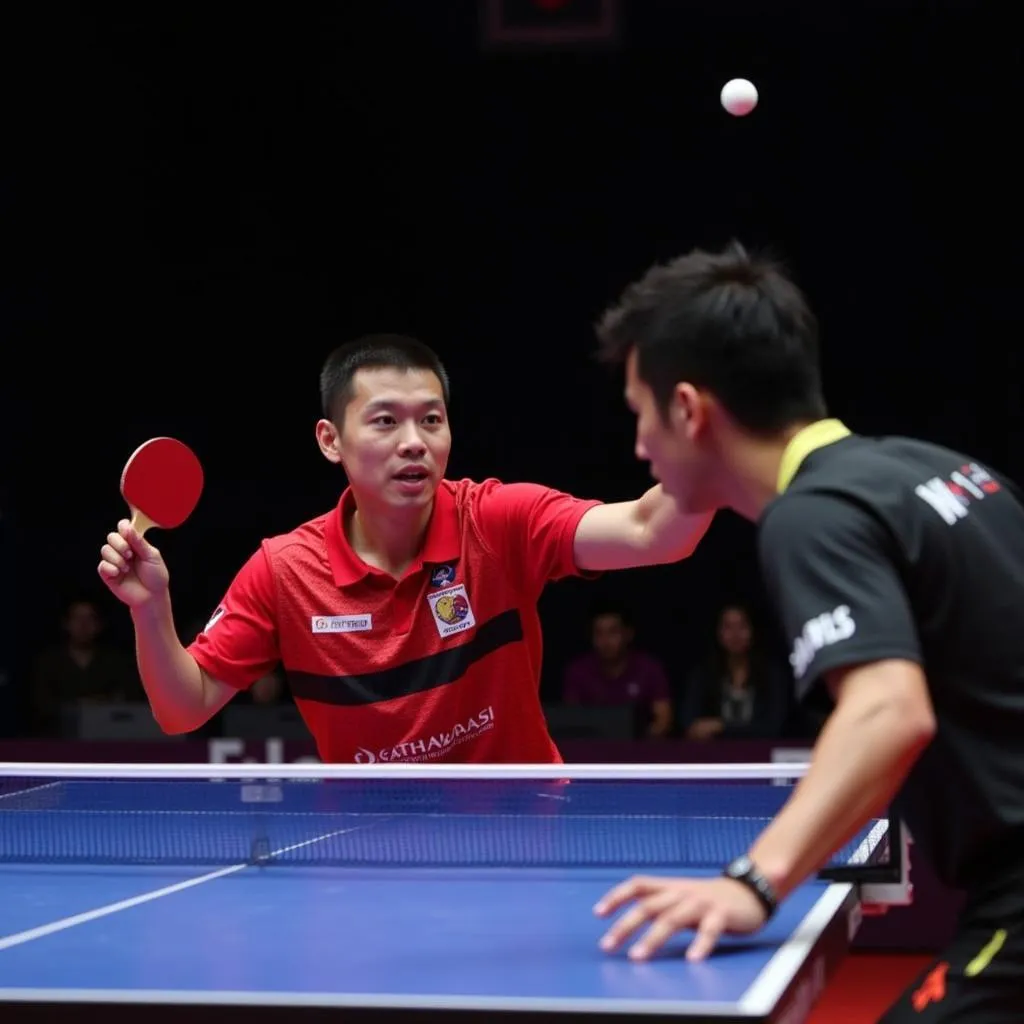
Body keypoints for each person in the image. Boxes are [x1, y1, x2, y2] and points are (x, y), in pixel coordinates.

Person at [590, 242, 1024, 1020]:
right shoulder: (939, 470)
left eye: (641, 414)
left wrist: (754, 882)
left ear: (689, 409)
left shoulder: (812, 516)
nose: (640, 446)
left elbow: (889, 711)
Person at [97, 334, 712, 765]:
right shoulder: (284, 571)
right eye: (386, 421)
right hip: (367, 857)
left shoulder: (497, 523)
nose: (414, 442)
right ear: (330, 440)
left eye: (432, 420)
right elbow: (185, 709)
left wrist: (714, 443)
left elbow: (652, 531)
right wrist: (151, 610)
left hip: (521, 838)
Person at [679, 603, 789, 742]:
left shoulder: (772, 675)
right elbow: (690, 723)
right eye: (728, 627)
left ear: (752, 630)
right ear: (718, 632)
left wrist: (720, 726)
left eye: (741, 626)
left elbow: (773, 727)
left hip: (760, 754)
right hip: (713, 756)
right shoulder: (703, 675)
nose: (735, 634)